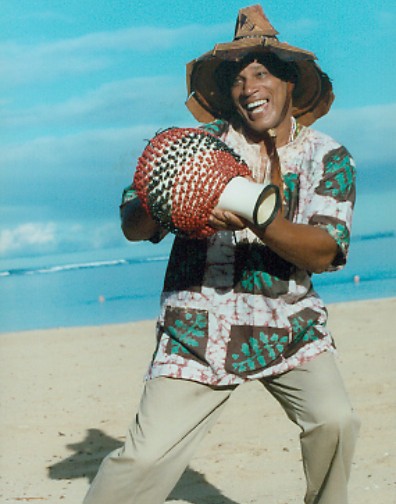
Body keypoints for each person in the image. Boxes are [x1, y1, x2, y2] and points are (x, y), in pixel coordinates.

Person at [83, 5, 360, 504]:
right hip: (197, 329)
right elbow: (132, 223)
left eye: (263, 72)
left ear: (291, 82)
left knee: (335, 422)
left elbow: (326, 249)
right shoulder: (195, 147)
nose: (249, 85)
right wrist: (173, 208)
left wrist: (264, 220)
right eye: (237, 77)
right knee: (142, 460)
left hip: (290, 328)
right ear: (227, 93)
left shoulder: (327, 156)